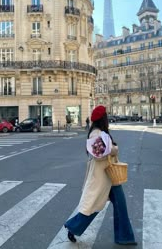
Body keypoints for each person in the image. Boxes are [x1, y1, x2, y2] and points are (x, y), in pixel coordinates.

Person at [64, 105, 137, 246]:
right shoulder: (95, 134)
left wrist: (111, 148)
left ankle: (125, 237)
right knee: (93, 207)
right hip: (101, 177)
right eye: (106, 116)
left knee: (120, 206)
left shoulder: (101, 132)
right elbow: (99, 156)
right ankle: (72, 227)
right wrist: (114, 149)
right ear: (102, 118)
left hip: (111, 176)